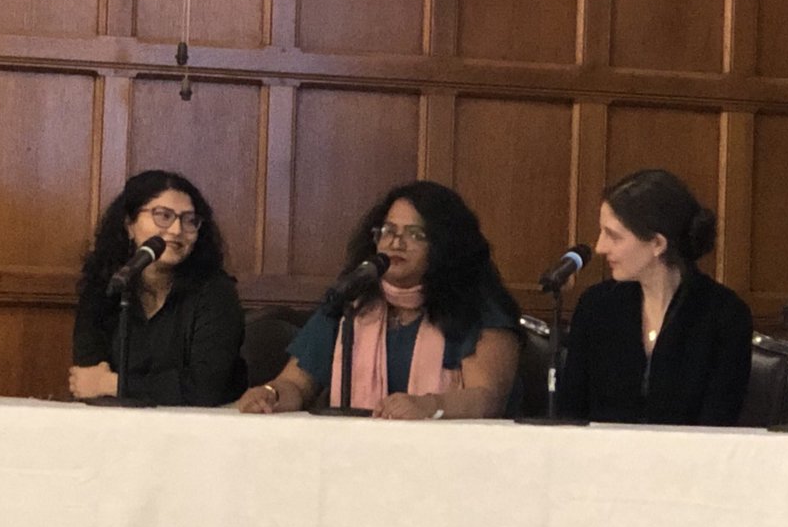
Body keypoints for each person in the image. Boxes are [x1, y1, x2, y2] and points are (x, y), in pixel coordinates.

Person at [237, 181, 521, 419]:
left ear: (446, 245)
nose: (396, 243)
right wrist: (271, 394)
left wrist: (429, 406)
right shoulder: (353, 301)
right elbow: (296, 384)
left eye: (415, 234)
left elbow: (487, 399)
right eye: (388, 231)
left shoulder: (480, 309)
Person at [560, 169, 752, 425]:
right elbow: (570, 414)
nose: (600, 247)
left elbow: (718, 422)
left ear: (657, 244)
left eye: (613, 236)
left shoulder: (724, 315)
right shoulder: (596, 306)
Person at [69, 170, 247, 405]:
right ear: (129, 225)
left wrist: (115, 384)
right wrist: (103, 385)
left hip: (200, 423)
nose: (176, 230)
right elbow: (88, 379)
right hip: (115, 422)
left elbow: (205, 387)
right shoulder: (106, 287)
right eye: (163, 216)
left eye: (189, 220)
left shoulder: (215, 292)